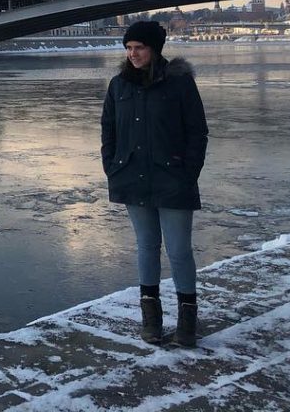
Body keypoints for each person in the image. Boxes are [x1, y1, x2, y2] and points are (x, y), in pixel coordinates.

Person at [100, 20, 209, 347]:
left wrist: (187, 174)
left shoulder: (180, 84)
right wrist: (113, 166)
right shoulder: (118, 85)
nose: (133, 54)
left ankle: (187, 324)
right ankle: (152, 320)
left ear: (154, 49)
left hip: (172, 179)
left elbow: (197, 132)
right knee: (146, 247)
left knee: (178, 251)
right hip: (133, 177)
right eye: (129, 48)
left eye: (139, 48)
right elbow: (109, 131)